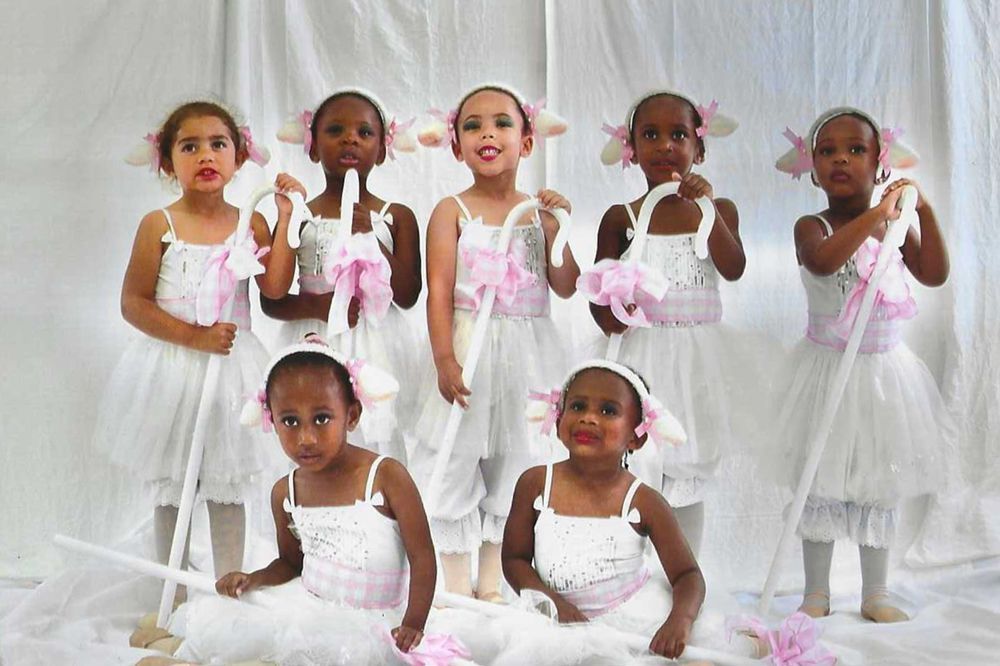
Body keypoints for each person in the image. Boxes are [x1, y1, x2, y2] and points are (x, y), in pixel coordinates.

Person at [95, 100, 301, 603]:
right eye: (189, 146)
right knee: (174, 483)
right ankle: (173, 595)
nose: (205, 155)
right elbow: (133, 302)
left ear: (239, 158)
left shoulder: (249, 223)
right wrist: (193, 337)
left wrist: (286, 220)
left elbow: (274, 288)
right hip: (171, 366)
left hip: (233, 367)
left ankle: (230, 588)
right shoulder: (158, 224)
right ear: (168, 161)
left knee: (226, 479)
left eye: (218, 144)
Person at [771, 106, 955, 622]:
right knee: (819, 479)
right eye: (827, 151)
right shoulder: (811, 225)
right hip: (826, 370)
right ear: (811, 167)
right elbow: (823, 260)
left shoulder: (895, 230)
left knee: (879, 480)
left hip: (882, 375)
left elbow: (934, 274)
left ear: (880, 164)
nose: (841, 159)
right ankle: (816, 593)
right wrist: (877, 216)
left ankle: (876, 592)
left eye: (856, 150)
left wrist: (923, 211)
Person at [167, 335, 455, 664]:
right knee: (244, 635)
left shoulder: (386, 476)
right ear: (271, 421)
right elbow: (292, 563)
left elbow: (423, 557)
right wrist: (255, 578)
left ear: (351, 415)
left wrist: (413, 624)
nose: (306, 438)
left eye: (321, 418)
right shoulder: (285, 492)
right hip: (308, 610)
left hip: (373, 623)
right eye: (290, 421)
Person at [411, 84, 579, 600]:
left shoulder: (537, 213)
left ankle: (495, 585)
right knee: (459, 456)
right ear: (457, 146)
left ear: (527, 142)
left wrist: (558, 228)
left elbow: (567, 284)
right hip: (469, 344)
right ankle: (456, 586)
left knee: (516, 460)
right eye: (473, 125)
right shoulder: (451, 210)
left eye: (503, 123)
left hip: (527, 351)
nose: (488, 133)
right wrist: (444, 358)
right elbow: (438, 289)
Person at [580, 90, 745, 556]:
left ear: (700, 147)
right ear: (630, 149)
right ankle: (632, 569)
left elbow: (733, 268)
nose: (665, 145)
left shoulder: (719, 211)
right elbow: (603, 313)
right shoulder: (622, 218)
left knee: (688, 463)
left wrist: (707, 209)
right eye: (650, 135)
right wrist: (618, 295)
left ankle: (685, 571)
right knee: (641, 460)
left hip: (697, 360)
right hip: (642, 357)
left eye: (679, 135)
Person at [503, 360, 705, 660]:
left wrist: (680, 620)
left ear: (636, 436)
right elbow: (514, 559)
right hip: (551, 616)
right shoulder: (535, 483)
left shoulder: (644, 501)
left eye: (608, 411)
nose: (588, 419)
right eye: (577, 406)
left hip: (626, 618)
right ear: (558, 421)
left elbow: (688, 575)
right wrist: (553, 604)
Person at [265, 89, 422, 462]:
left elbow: (409, 293)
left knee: (372, 435)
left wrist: (373, 239)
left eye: (364, 133)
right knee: (315, 425)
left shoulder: (395, 215)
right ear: (314, 147)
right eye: (335, 130)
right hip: (314, 335)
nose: (350, 138)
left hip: (378, 342)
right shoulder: (298, 214)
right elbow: (271, 299)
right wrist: (317, 305)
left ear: (382, 150)